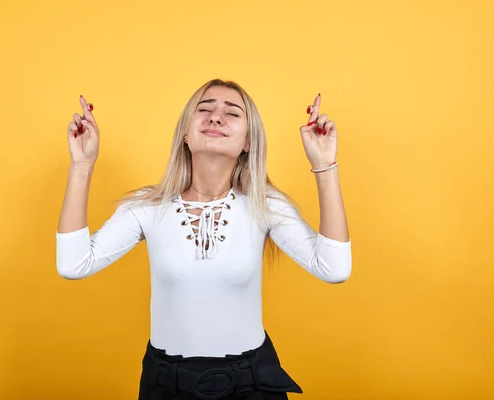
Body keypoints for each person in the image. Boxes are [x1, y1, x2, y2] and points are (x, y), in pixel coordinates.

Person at [56, 79, 352, 399]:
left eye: (232, 113)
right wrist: (82, 165)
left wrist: (324, 166)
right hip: (166, 384)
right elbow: (73, 264)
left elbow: (334, 268)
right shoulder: (145, 207)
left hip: (252, 383)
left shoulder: (266, 206)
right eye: (205, 109)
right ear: (186, 133)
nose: (215, 117)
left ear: (248, 141)